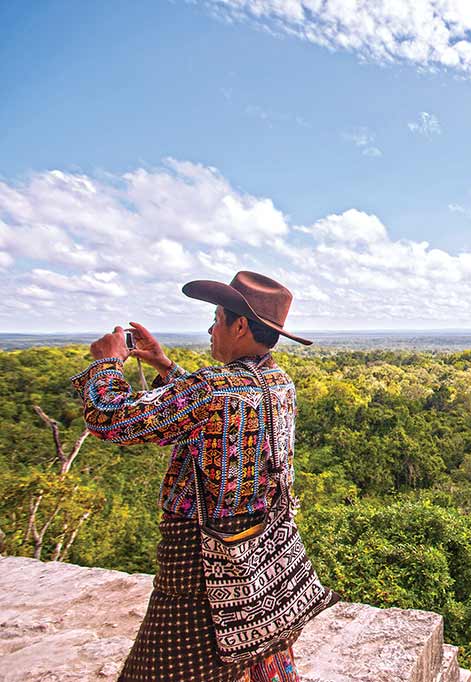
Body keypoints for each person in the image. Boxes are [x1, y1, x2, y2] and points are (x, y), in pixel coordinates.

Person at [71, 271, 337, 682]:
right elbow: (210, 416)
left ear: (241, 325)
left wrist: (106, 363)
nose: (211, 329)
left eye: (217, 319)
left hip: (200, 558)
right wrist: (163, 364)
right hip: (260, 549)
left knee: (167, 669)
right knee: (249, 653)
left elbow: (111, 420)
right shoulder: (278, 382)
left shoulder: (212, 388)